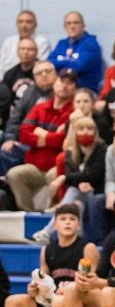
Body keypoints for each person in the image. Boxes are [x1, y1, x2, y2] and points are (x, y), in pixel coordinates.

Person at [4, 69, 76, 211]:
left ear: (75, 88)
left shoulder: (73, 112)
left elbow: (63, 142)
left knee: (54, 175)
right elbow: (24, 134)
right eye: (62, 81)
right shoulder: (39, 108)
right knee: (14, 174)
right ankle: (27, 213)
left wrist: (42, 134)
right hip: (35, 166)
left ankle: (51, 215)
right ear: (55, 83)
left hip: (56, 166)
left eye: (70, 83)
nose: (65, 86)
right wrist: (52, 136)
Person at [31, 116, 106, 246]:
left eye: (89, 129)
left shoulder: (102, 148)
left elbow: (95, 175)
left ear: (95, 132)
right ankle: (78, 242)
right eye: (81, 129)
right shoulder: (71, 151)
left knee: (74, 191)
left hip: (97, 190)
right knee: (77, 205)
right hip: (79, 193)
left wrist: (65, 178)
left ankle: (47, 232)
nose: (85, 132)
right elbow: (72, 177)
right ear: (75, 132)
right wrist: (79, 182)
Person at [1, 60, 57, 174]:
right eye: (39, 73)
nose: (44, 75)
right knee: (6, 147)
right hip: (26, 139)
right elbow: (14, 119)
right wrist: (10, 139)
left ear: (56, 74)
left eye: (48, 71)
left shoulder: (61, 92)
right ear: (34, 78)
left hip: (50, 142)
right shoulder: (29, 92)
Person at [48, 11, 104, 93]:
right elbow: (49, 63)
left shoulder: (91, 44)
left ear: (83, 25)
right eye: (69, 23)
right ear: (65, 26)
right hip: (63, 91)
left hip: (85, 92)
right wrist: (71, 61)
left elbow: (79, 66)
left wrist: (60, 63)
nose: (72, 26)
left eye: (76, 23)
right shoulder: (62, 43)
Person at [0, 37, 39, 128]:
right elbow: (5, 102)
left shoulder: (42, 72)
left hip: (35, 119)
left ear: (36, 52)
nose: (26, 52)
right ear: (17, 52)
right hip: (13, 120)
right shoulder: (10, 74)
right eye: (22, 49)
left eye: (30, 49)